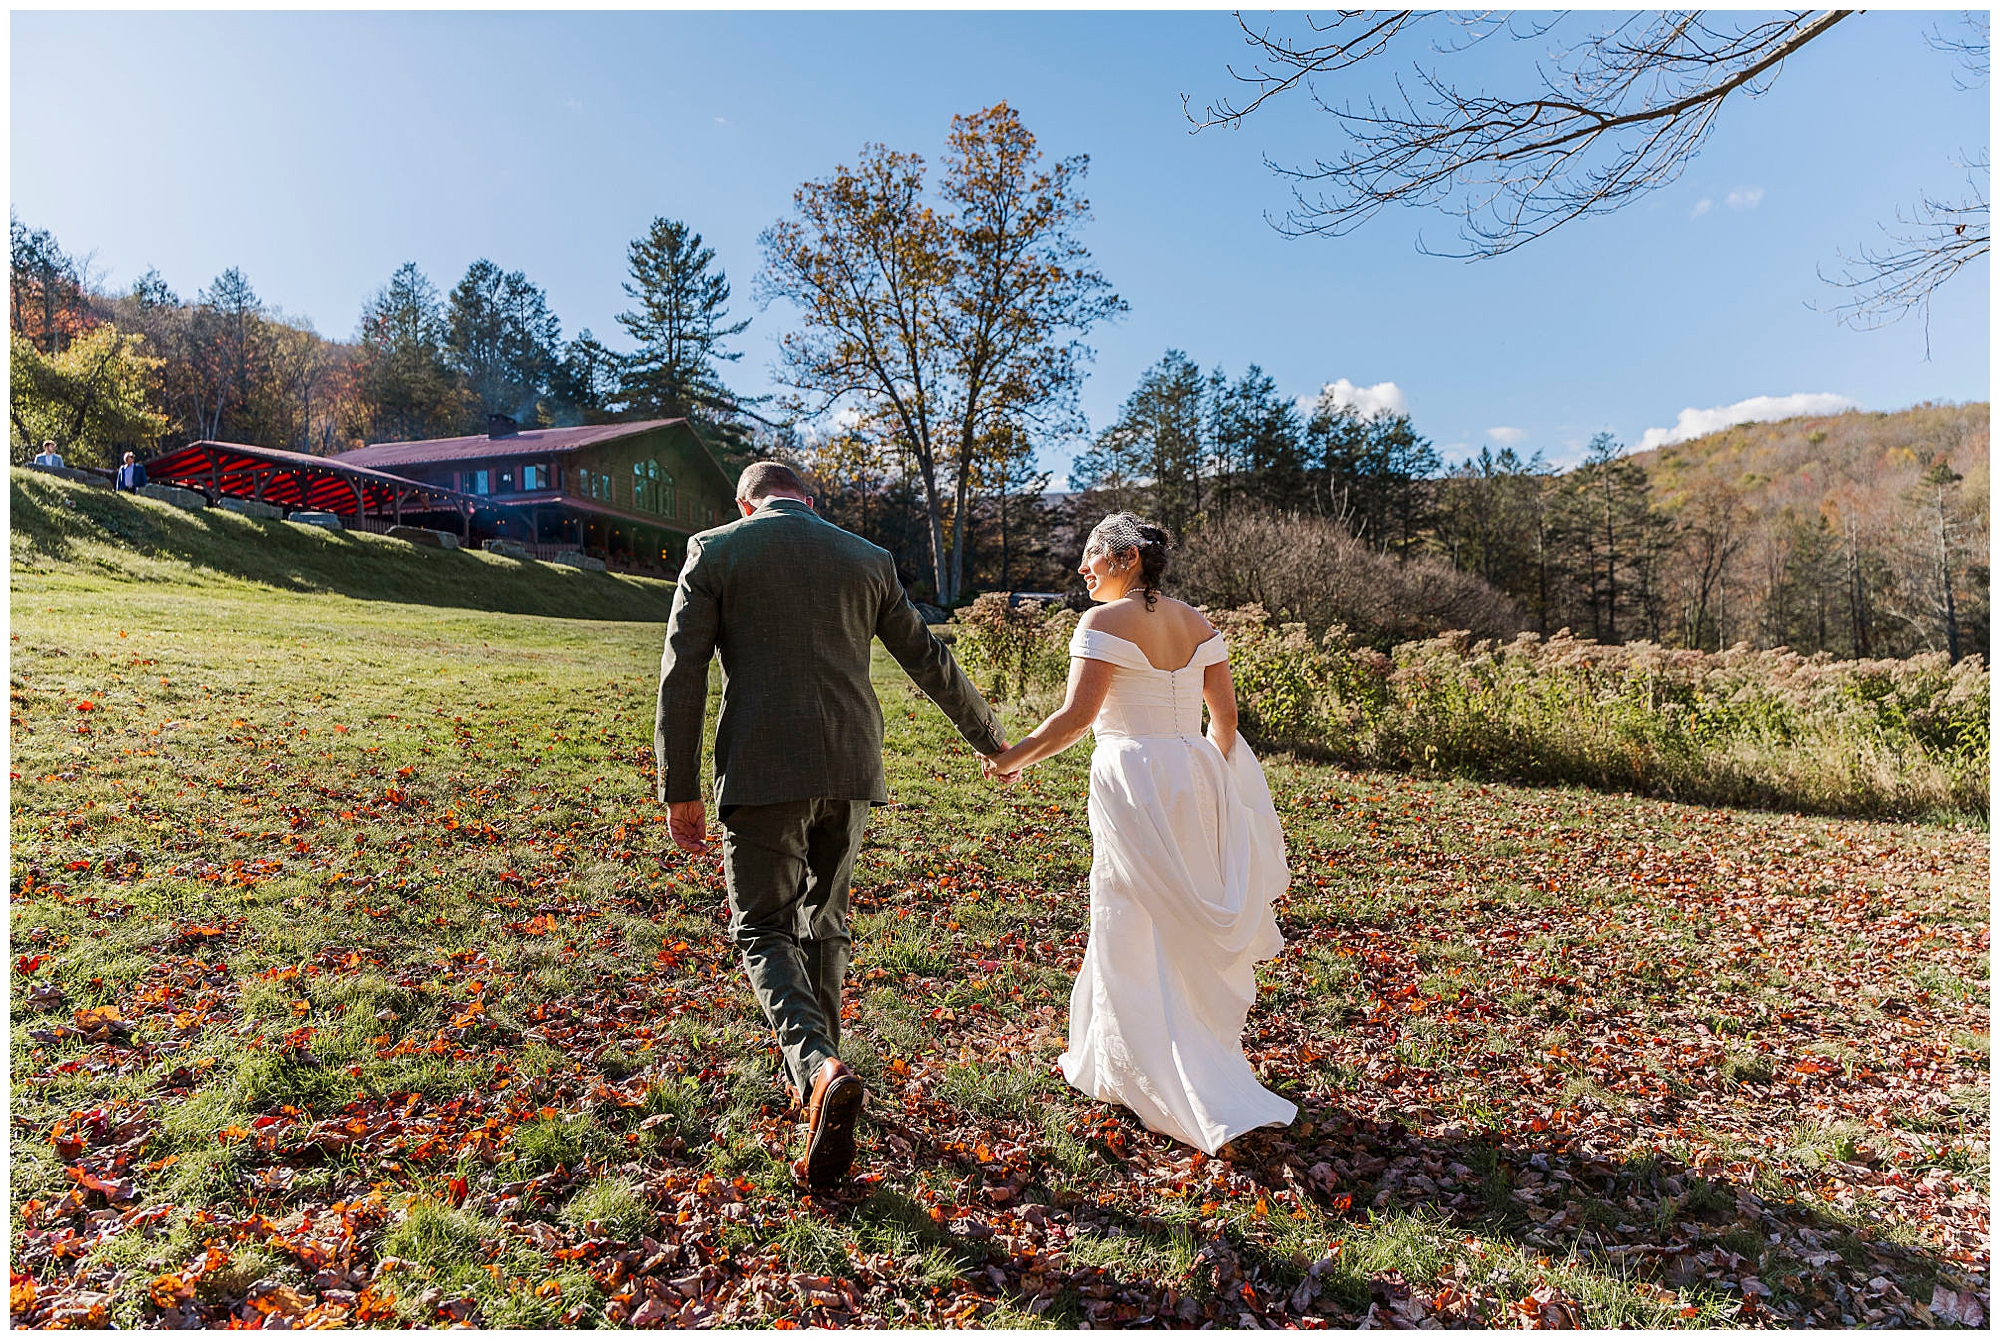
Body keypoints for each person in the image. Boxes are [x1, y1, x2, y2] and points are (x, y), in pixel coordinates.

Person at [655, 461, 1009, 1189]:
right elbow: (928, 657)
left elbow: (682, 672)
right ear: (808, 502)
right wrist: (988, 736)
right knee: (825, 920)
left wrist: (678, 786)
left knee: (762, 927)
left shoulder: (716, 549)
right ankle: (823, 1083)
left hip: (761, 767)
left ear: (745, 505)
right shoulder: (866, 558)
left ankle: (818, 1070)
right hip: (851, 765)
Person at [981, 513, 1296, 1155]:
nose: (1082, 568)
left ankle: (1146, 1068)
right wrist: (1208, 777)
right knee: (1179, 910)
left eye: (1091, 555)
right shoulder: (1199, 623)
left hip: (1133, 776)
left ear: (1125, 560)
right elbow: (1225, 720)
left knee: (1129, 912)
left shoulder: (1100, 623)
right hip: (1197, 773)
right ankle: (1174, 1049)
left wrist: (1013, 758)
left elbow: (1077, 717)